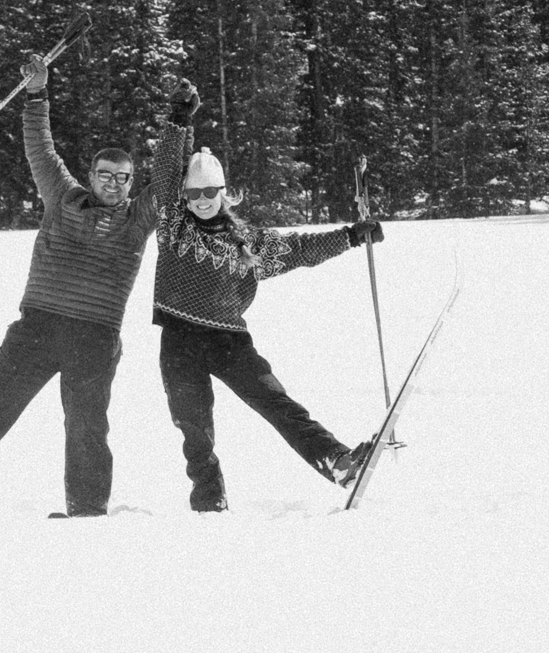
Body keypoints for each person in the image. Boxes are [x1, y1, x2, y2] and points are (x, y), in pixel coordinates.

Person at [0, 57, 194, 517]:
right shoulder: (63, 197)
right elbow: (40, 149)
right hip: (37, 327)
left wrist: (178, 122)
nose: (112, 183)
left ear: (131, 184)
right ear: (91, 177)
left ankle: (87, 510)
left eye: (121, 178)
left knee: (86, 426)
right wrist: (36, 94)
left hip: (94, 335)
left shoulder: (138, 218)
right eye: (104, 175)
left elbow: (169, 179)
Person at [152, 115, 384, 512]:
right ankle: (210, 502)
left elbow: (299, 250)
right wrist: (178, 121)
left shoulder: (246, 242)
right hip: (179, 340)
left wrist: (348, 236)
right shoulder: (173, 227)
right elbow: (164, 173)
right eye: (193, 194)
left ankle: (337, 462)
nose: (202, 200)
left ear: (224, 193)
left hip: (229, 341)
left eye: (210, 191)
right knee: (194, 430)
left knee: (276, 403)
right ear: (184, 198)